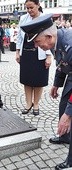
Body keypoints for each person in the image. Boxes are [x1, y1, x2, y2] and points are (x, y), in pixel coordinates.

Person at [20, 13, 72, 169]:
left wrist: (68, 115)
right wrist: (56, 84)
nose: (36, 46)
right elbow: (62, 62)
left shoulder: (70, 45)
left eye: (37, 42)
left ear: (49, 37)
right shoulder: (57, 40)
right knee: (64, 105)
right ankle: (65, 137)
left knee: (69, 114)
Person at [16, 0, 53, 116]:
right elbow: (19, 37)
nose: (29, 10)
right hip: (26, 53)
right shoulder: (23, 19)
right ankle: (28, 103)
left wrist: (48, 56)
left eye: (31, 7)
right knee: (27, 80)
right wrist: (17, 52)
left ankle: (36, 104)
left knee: (38, 80)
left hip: (40, 53)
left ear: (38, 5)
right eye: (27, 8)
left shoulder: (45, 19)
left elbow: (50, 38)